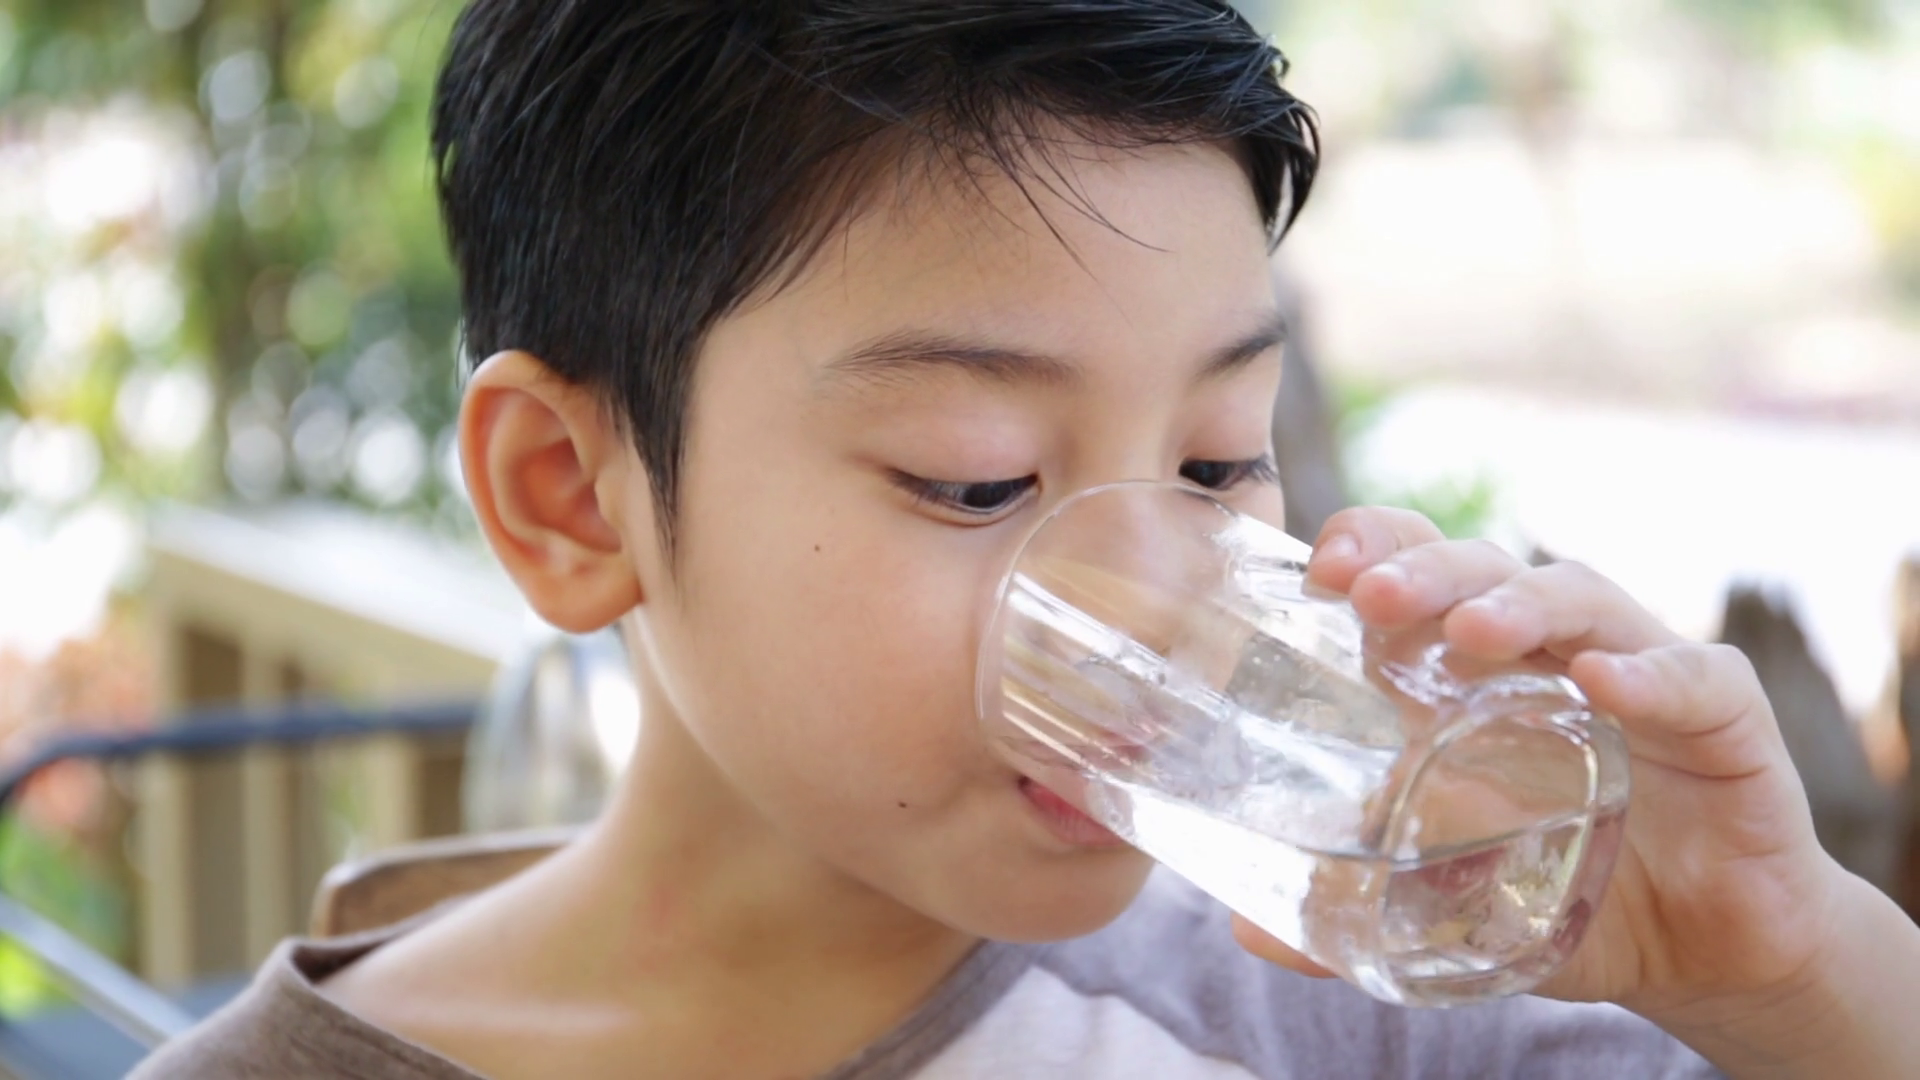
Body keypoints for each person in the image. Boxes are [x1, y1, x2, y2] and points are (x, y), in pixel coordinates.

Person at [135, 2, 1920, 1077]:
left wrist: (1788, 967)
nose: (1165, 605)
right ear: (568, 494)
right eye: (979, 481)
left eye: (1218, 460)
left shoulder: (1366, 1014)